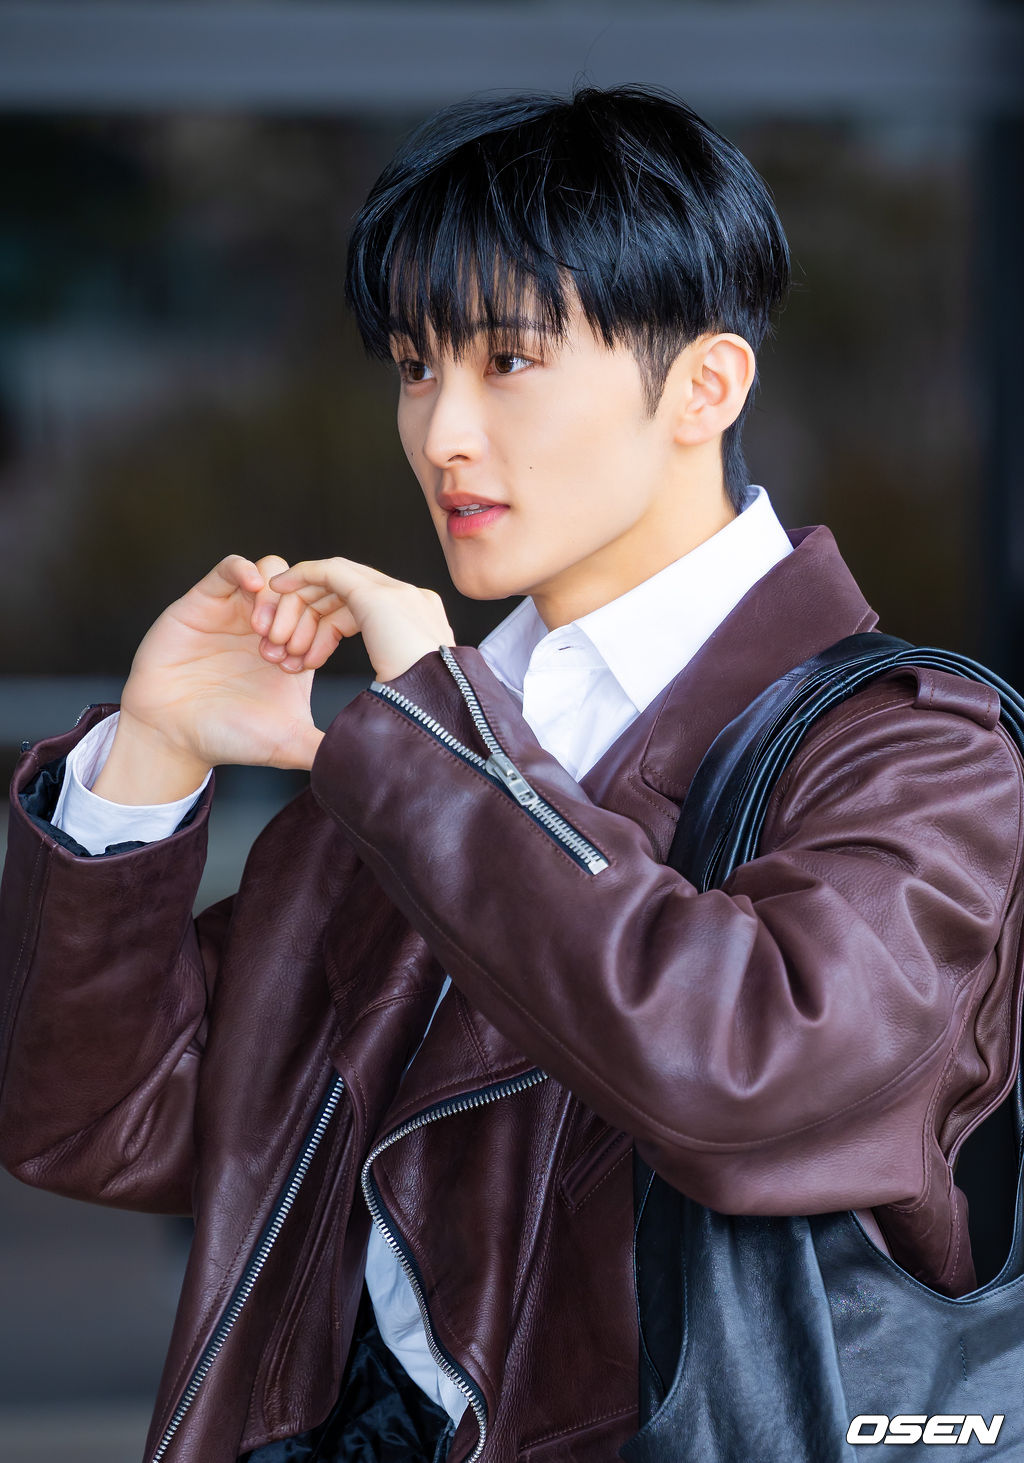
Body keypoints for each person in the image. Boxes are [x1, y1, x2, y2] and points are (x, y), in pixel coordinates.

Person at [1, 84, 1022, 1463]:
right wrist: (148, 759)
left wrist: (440, 746)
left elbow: (746, 1079)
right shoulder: (431, 749)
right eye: (417, 366)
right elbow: (106, 1126)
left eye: (509, 360)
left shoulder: (913, 747)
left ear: (706, 386)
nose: (441, 433)